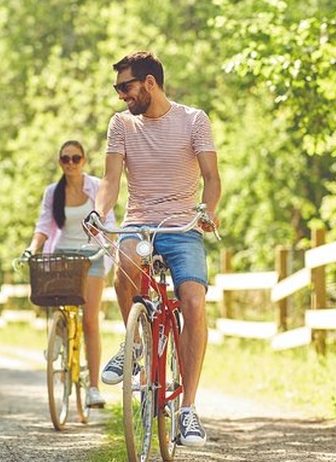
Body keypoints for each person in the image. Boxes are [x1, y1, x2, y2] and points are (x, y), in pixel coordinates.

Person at [89, 51, 221, 448]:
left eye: (125, 87)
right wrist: (99, 212)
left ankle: (188, 410)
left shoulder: (194, 120)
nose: (120, 96)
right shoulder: (121, 125)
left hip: (184, 227)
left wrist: (207, 212)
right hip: (139, 222)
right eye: (117, 89)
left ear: (149, 83)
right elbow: (111, 180)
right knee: (124, 263)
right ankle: (137, 344)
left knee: (193, 301)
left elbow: (212, 178)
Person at [22, 140, 117, 409]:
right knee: (56, 304)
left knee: (90, 320)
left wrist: (108, 245)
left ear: (84, 160)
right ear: (60, 162)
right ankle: (58, 337)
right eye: (66, 159)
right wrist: (32, 249)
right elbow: (43, 225)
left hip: (92, 256)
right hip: (62, 253)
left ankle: (94, 389)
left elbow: (109, 223)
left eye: (76, 158)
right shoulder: (53, 192)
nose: (71, 163)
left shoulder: (97, 187)